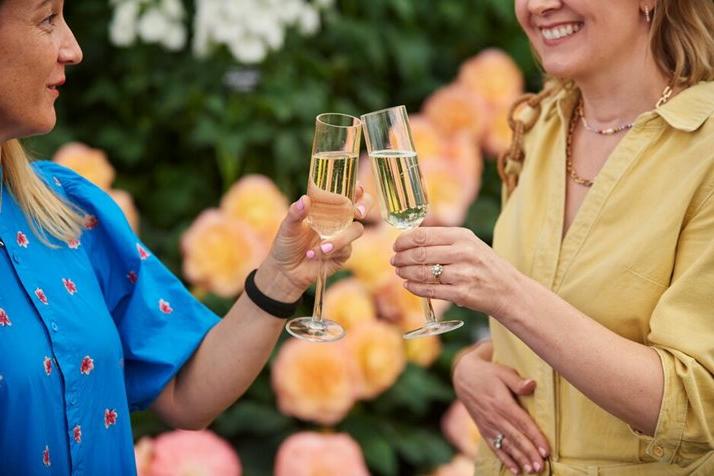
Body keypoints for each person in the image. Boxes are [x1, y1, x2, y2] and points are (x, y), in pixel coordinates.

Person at [0, 0, 370, 474]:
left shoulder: (65, 211)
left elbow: (186, 392)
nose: (73, 49)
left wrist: (282, 278)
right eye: (47, 18)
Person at [390, 0, 714, 474]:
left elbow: (697, 409)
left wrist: (504, 293)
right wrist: (472, 368)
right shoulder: (537, 126)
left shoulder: (704, 150)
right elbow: (551, 329)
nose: (538, 5)